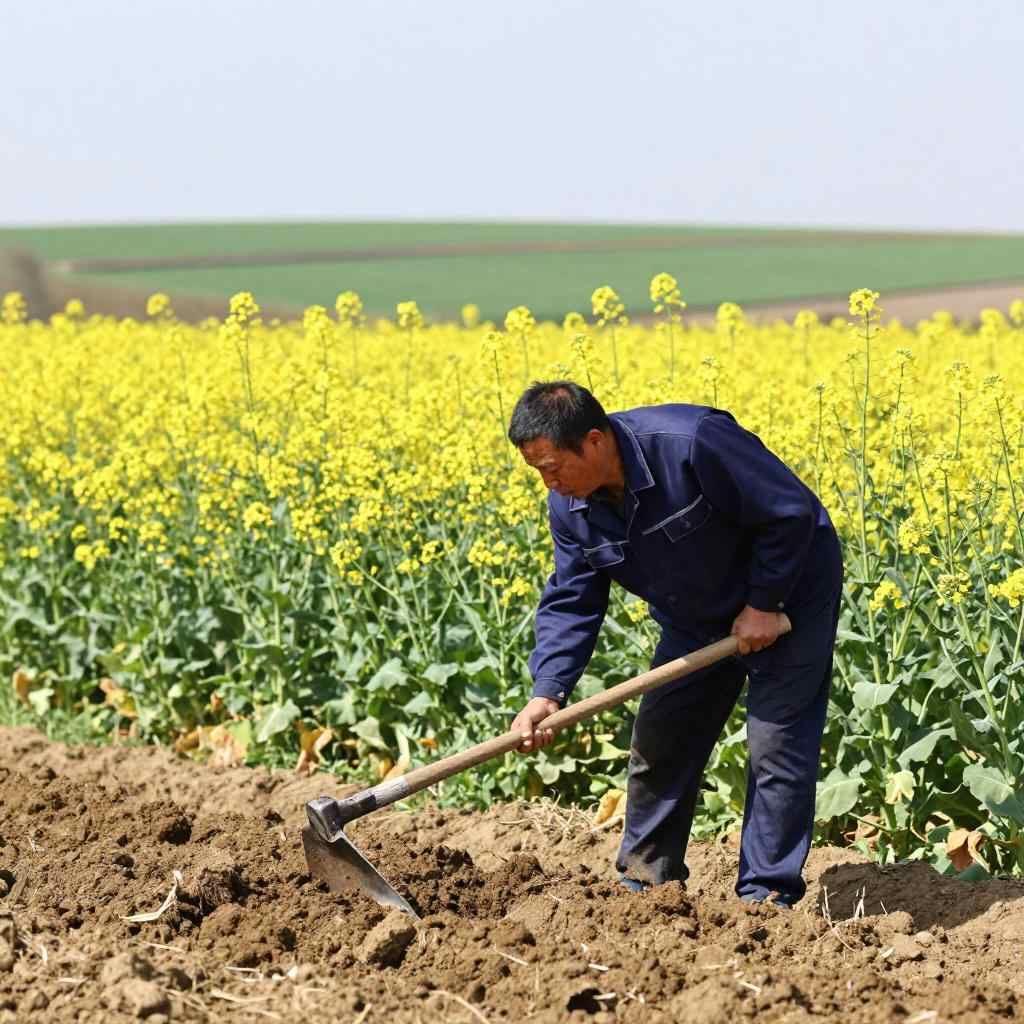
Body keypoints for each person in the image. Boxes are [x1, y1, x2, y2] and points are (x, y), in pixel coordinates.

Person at [507, 381, 843, 907]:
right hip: (696, 612)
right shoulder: (570, 508)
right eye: (538, 472)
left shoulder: (692, 442)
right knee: (663, 737)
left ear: (594, 441)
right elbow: (573, 599)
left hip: (789, 594)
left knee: (776, 746)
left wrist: (762, 601)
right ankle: (646, 885)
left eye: (553, 466)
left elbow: (790, 512)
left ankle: (765, 899)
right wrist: (547, 692)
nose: (548, 482)